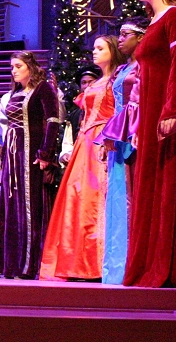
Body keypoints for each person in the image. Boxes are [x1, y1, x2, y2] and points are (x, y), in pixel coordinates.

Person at [123, 0, 176, 288]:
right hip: (150, 115)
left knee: (168, 186)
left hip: (166, 113)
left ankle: (168, 266)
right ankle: (146, 264)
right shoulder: (153, 21)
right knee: (149, 188)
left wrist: (173, 110)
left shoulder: (175, 16)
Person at [40, 35, 125, 281]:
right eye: (94, 48)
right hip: (84, 143)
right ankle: (76, 260)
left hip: (102, 138)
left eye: (101, 48)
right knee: (77, 197)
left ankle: (96, 263)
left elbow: (119, 112)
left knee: (96, 198)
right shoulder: (98, 83)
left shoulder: (117, 80)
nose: (95, 52)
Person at [0, 51, 62, 279]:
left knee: (30, 207)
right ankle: (11, 264)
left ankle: (29, 265)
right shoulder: (15, 92)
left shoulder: (43, 88)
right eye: (12, 67)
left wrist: (45, 153)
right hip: (12, 156)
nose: (13, 70)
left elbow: (53, 120)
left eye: (18, 66)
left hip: (30, 154)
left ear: (30, 67)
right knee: (11, 207)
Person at [100, 17, 149, 284]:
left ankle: (132, 266)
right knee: (117, 199)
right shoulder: (122, 69)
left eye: (125, 34)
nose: (120, 38)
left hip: (133, 135)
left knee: (132, 198)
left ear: (141, 37)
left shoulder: (144, 66)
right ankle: (115, 268)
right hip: (117, 138)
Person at [59, 65, 101, 165]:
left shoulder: (104, 109)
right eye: (83, 83)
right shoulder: (75, 115)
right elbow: (68, 142)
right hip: (80, 163)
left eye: (91, 82)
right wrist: (66, 154)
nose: (87, 86)